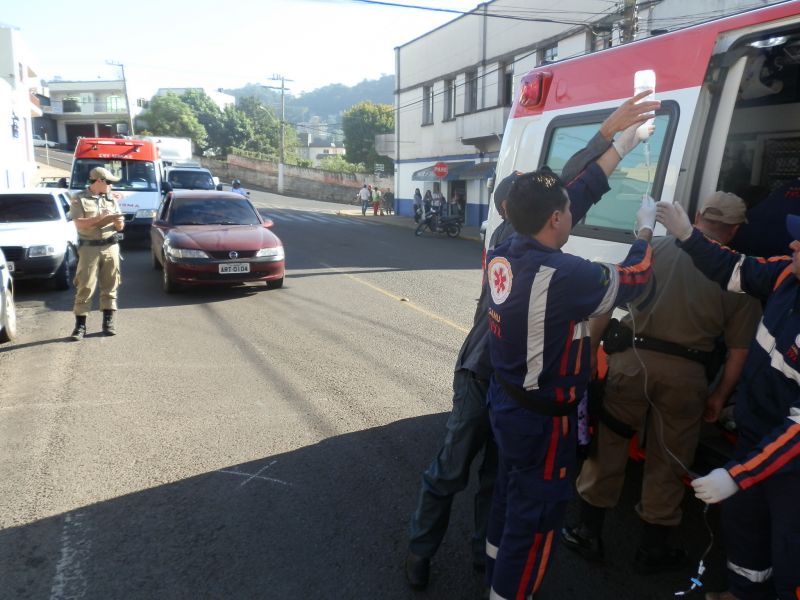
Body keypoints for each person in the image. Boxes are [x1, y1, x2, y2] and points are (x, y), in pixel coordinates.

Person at [404, 90, 661, 592]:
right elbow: (573, 203)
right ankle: (424, 551)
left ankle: (489, 561)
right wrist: (643, 227)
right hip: (487, 380)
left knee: (500, 482)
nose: (565, 205)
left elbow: (569, 193)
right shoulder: (547, 264)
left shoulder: (509, 243)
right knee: (453, 473)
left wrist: (614, 142)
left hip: (504, 384)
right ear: (523, 211)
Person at [562, 191, 762, 574]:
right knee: (669, 458)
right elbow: (739, 352)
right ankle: (652, 549)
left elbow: (607, 300)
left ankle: (587, 533)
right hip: (687, 379)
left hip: (629, 365)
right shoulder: (740, 274)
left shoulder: (653, 250)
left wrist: (589, 356)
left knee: (609, 446)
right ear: (735, 230)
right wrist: (719, 397)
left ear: (698, 216)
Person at [484, 169, 655, 600]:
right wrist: (645, 231)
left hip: (506, 400)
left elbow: (555, 206)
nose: (572, 213)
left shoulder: (501, 251)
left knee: (508, 497)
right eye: (567, 209)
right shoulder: (563, 274)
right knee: (536, 520)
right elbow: (636, 277)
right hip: (542, 422)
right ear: (556, 219)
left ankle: (492, 575)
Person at [656, 201, 800, 600]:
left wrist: (737, 475)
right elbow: (734, 269)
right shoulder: (787, 274)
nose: (792, 244)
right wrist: (688, 236)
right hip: (757, 434)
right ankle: (743, 593)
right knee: (744, 524)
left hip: (790, 460)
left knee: (789, 548)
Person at [68, 166, 125, 341]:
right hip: (89, 248)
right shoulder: (79, 198)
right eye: (109, 182)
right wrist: (100, 218)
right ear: (99, 181)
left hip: (110, 246)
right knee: (85, 285)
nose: (111, 185)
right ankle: (80, 326)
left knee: (110, 283)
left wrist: (119, 222)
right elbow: (79, 224)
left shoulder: (111, 198)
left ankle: (108, 322)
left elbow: (120, 226)